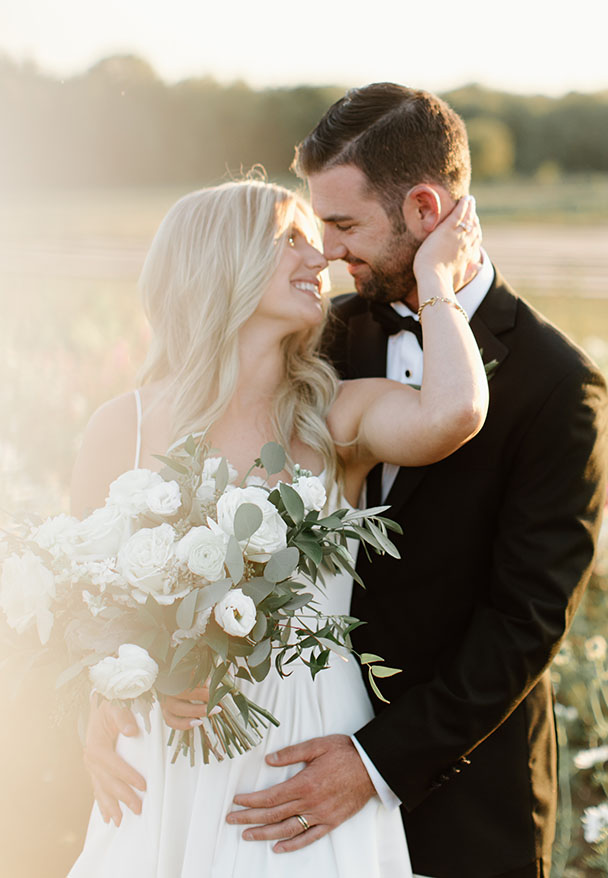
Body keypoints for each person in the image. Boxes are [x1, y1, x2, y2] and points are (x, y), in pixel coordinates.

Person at [220, 85, 608, 877]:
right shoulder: (320, 336)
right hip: (288, 762)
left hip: (465, 794)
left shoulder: (558, 384)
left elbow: (525, 620)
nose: (326, 250)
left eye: (344, 224)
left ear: (426, 209)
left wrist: (376, 764)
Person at [68, 177, 488, 877]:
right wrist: (118, 693)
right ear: (220, 263)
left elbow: (452, 414)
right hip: (171, 750)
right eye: (287, 238)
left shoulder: (338, 417)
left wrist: (435, 279)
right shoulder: (124, 426)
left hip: (307, 743)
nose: (319, 254)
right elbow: (85, 603)